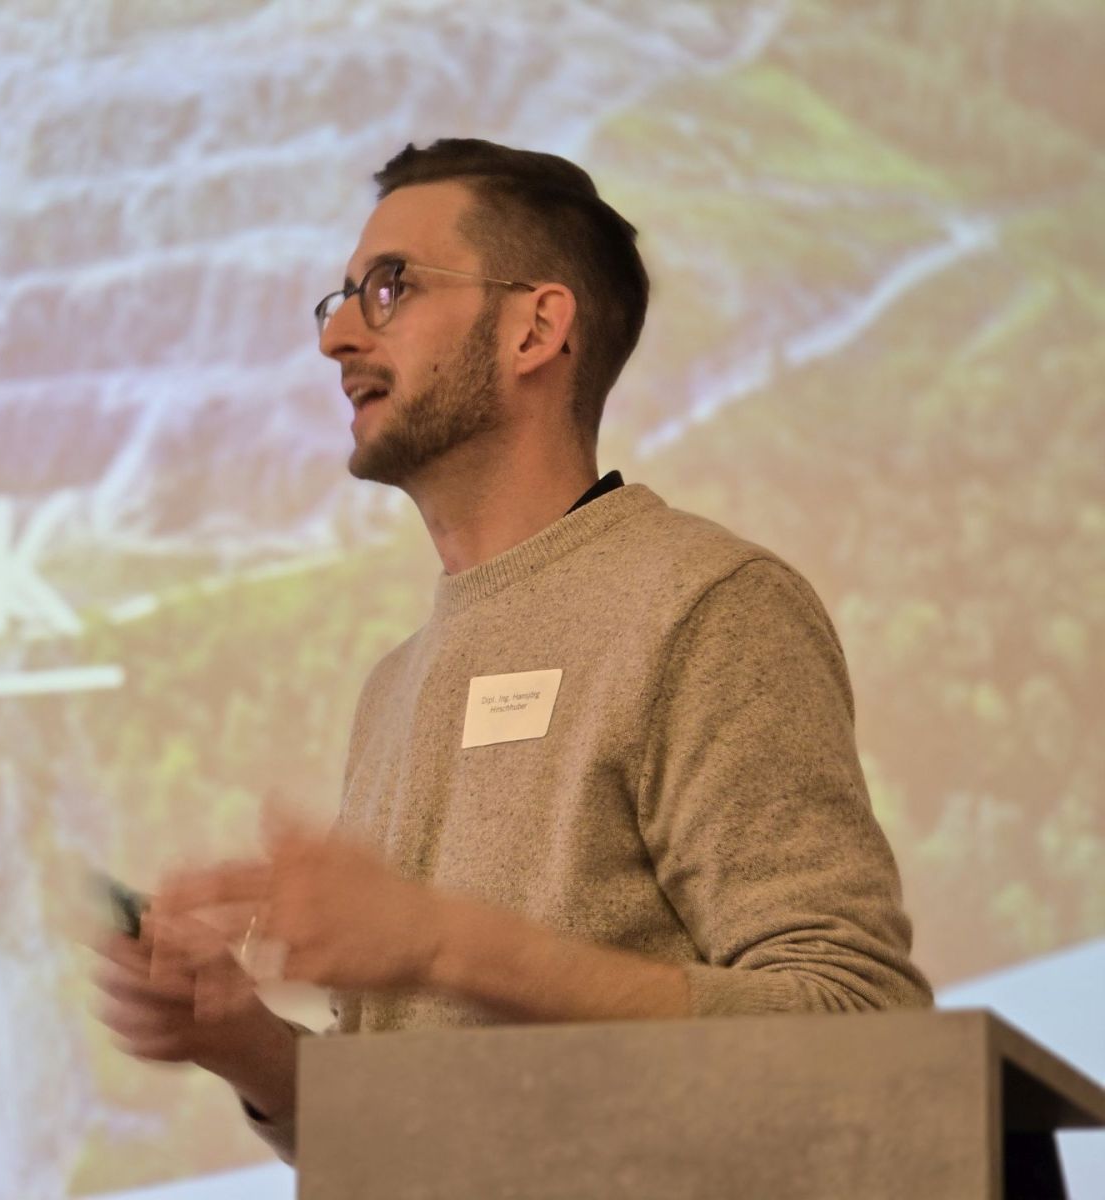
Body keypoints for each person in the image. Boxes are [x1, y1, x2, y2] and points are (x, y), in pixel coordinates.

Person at [90, 138, 932, 1164]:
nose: (338, 338)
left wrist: (443, 943)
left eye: (390, 288)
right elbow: (419, 1137)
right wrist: (247, 1047)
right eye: (340, 300)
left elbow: (862, 1033)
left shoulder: (706, 605)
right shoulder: (393, 686)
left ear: (534, 327)